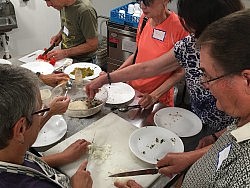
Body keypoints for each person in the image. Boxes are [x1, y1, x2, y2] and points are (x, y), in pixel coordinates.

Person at [115, 8, 250, 188]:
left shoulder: (244, 173)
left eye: (209, 76)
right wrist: (189, 158)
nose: (203, 84)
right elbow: (228, 143)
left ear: (247, 80)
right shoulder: (241, 120)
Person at [86, 0, 243, 146]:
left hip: (230, 130)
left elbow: (242, 124)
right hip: (198, 121)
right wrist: (107, 78)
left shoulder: (238, 55)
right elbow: (147, 67)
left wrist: (218, 137)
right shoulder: (191, 43)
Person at [0, 65, 92, 188]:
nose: (42, 113)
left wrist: (62, 157)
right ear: (21, 129)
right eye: (40, 110)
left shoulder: (9, 151)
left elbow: (27, 163)